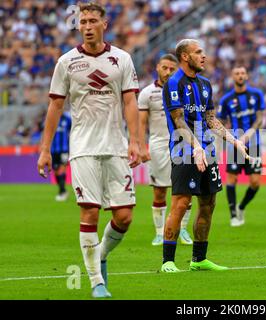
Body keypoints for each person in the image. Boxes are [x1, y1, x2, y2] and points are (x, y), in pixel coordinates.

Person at [37, 2, 141, 297]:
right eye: (83, 21)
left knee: (124, 217)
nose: (87, 26)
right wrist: (45, 149)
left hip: (116, 145)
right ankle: (97, 281)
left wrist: (135, 140)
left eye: (93, 20)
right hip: (82, 147)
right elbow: (56, 106)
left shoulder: (122, 58)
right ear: (78, 25)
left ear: (104, 24)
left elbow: (130, 102)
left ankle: (101, 254)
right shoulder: (67, 62)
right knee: (90, 213)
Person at [160, 39, 249, 272]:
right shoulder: (173, 83)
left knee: (208, 203)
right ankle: (168, 261)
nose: (204, 56)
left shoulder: (206, 84)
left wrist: (233, 140)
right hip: (183, 151)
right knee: (181, 203)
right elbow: (178, 119)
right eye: (198, 52)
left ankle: (198, 259)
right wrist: (195, 147)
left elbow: (210, 119)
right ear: (185, 57)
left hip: (207, 151)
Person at [138, 54, 193, 246]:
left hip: (182, 144)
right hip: (158, 145)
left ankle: (183, 230)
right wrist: (141, 147)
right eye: (165, 68)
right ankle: (160, 233)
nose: (168, 72)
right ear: (157, 68)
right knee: (160, 191)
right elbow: (141, 123)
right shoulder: (147, 93)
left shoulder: (184, 89)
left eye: (172, 68)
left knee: (187, 190)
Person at [217, 66, 265, 227]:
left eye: (243, 73)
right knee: (232, 178)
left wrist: (248, 134)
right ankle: (233, 215)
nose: (240, 76)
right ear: (232, 76)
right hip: (234, 146)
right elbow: (220, 122)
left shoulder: (256, 95)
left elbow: (259, 119)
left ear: (247, 76)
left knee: (255, 182)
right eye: (237, 73)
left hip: (254, 143)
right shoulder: (226, 100)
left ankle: (241, 206)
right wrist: (229, 136)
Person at [51, 111, 71, 202]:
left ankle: (62, 192)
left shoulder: (67, 119)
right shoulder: (51, 118)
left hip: (64, 149)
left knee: (61, 170)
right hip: (53, 150)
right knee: (56, 172)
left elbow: (73, 131)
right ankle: (63, 190)